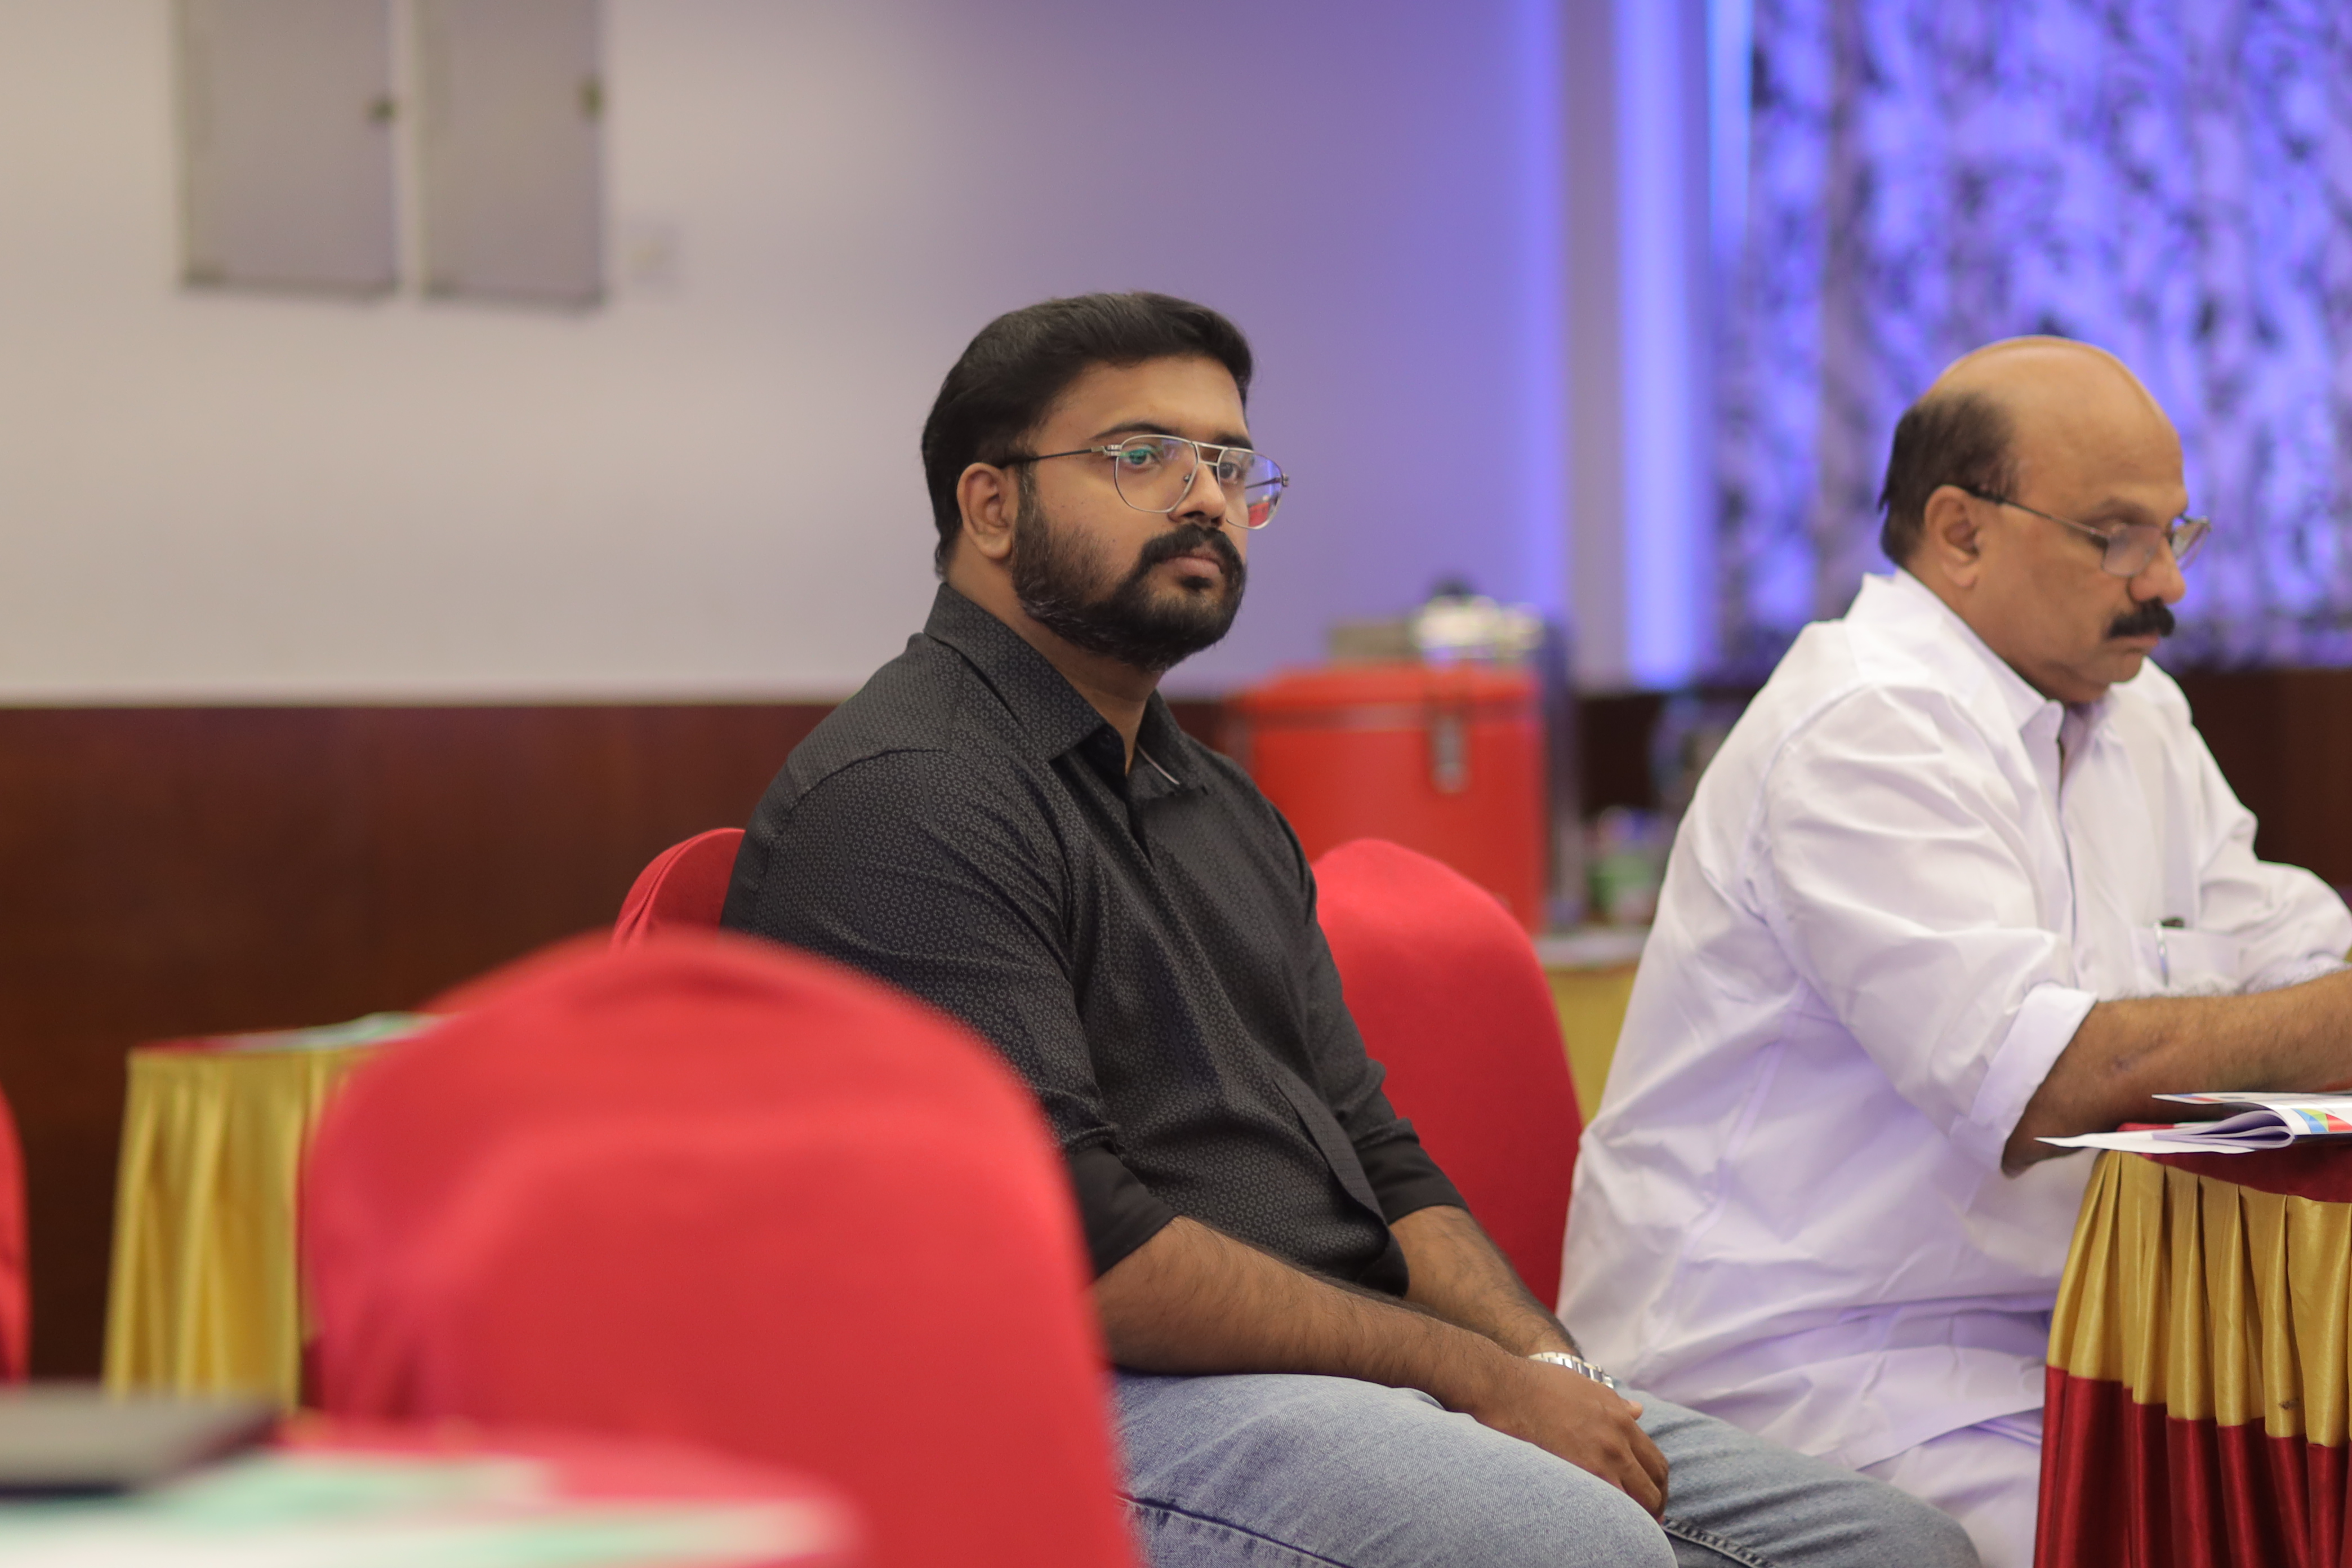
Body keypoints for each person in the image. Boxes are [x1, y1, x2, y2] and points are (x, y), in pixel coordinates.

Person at [721, 291, 1971, 1567]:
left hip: (1333, 1380)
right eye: (1143, 456)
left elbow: (1378, 1159)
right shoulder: (912, 796)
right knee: (1576, 1547)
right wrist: (1468, 1376)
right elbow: (1076, 1253)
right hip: (1053, 1394)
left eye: (1231, 466)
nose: (1205, 500)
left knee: (1894, 1549)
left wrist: (1545, 1370)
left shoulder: (1218, 806)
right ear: (991, 507)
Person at [1561, 336, 2352, 1568]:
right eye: (2116, 538)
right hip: (1793, 1371)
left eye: (2175, 535)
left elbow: (2294, 955)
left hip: (2051, 1342)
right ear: (1960, 532)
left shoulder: (2133, 711)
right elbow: (2047, 1085)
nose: (2167, 585)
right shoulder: (1865, 726)